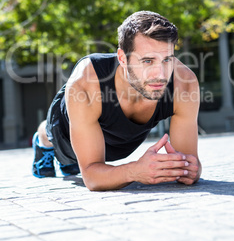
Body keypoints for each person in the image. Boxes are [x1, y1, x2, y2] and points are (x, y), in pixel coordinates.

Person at [32, 11, 202, 190]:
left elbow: (190, 164)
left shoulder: (184, 84)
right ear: (122, 58)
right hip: (66, 133)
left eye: (167, 59)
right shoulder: (86, 83)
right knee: (60, 146)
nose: (160, 74)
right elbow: (91, 177)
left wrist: (189, 171)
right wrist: (135, 171)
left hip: (123, 142)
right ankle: (42, 141)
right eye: (147, 61)